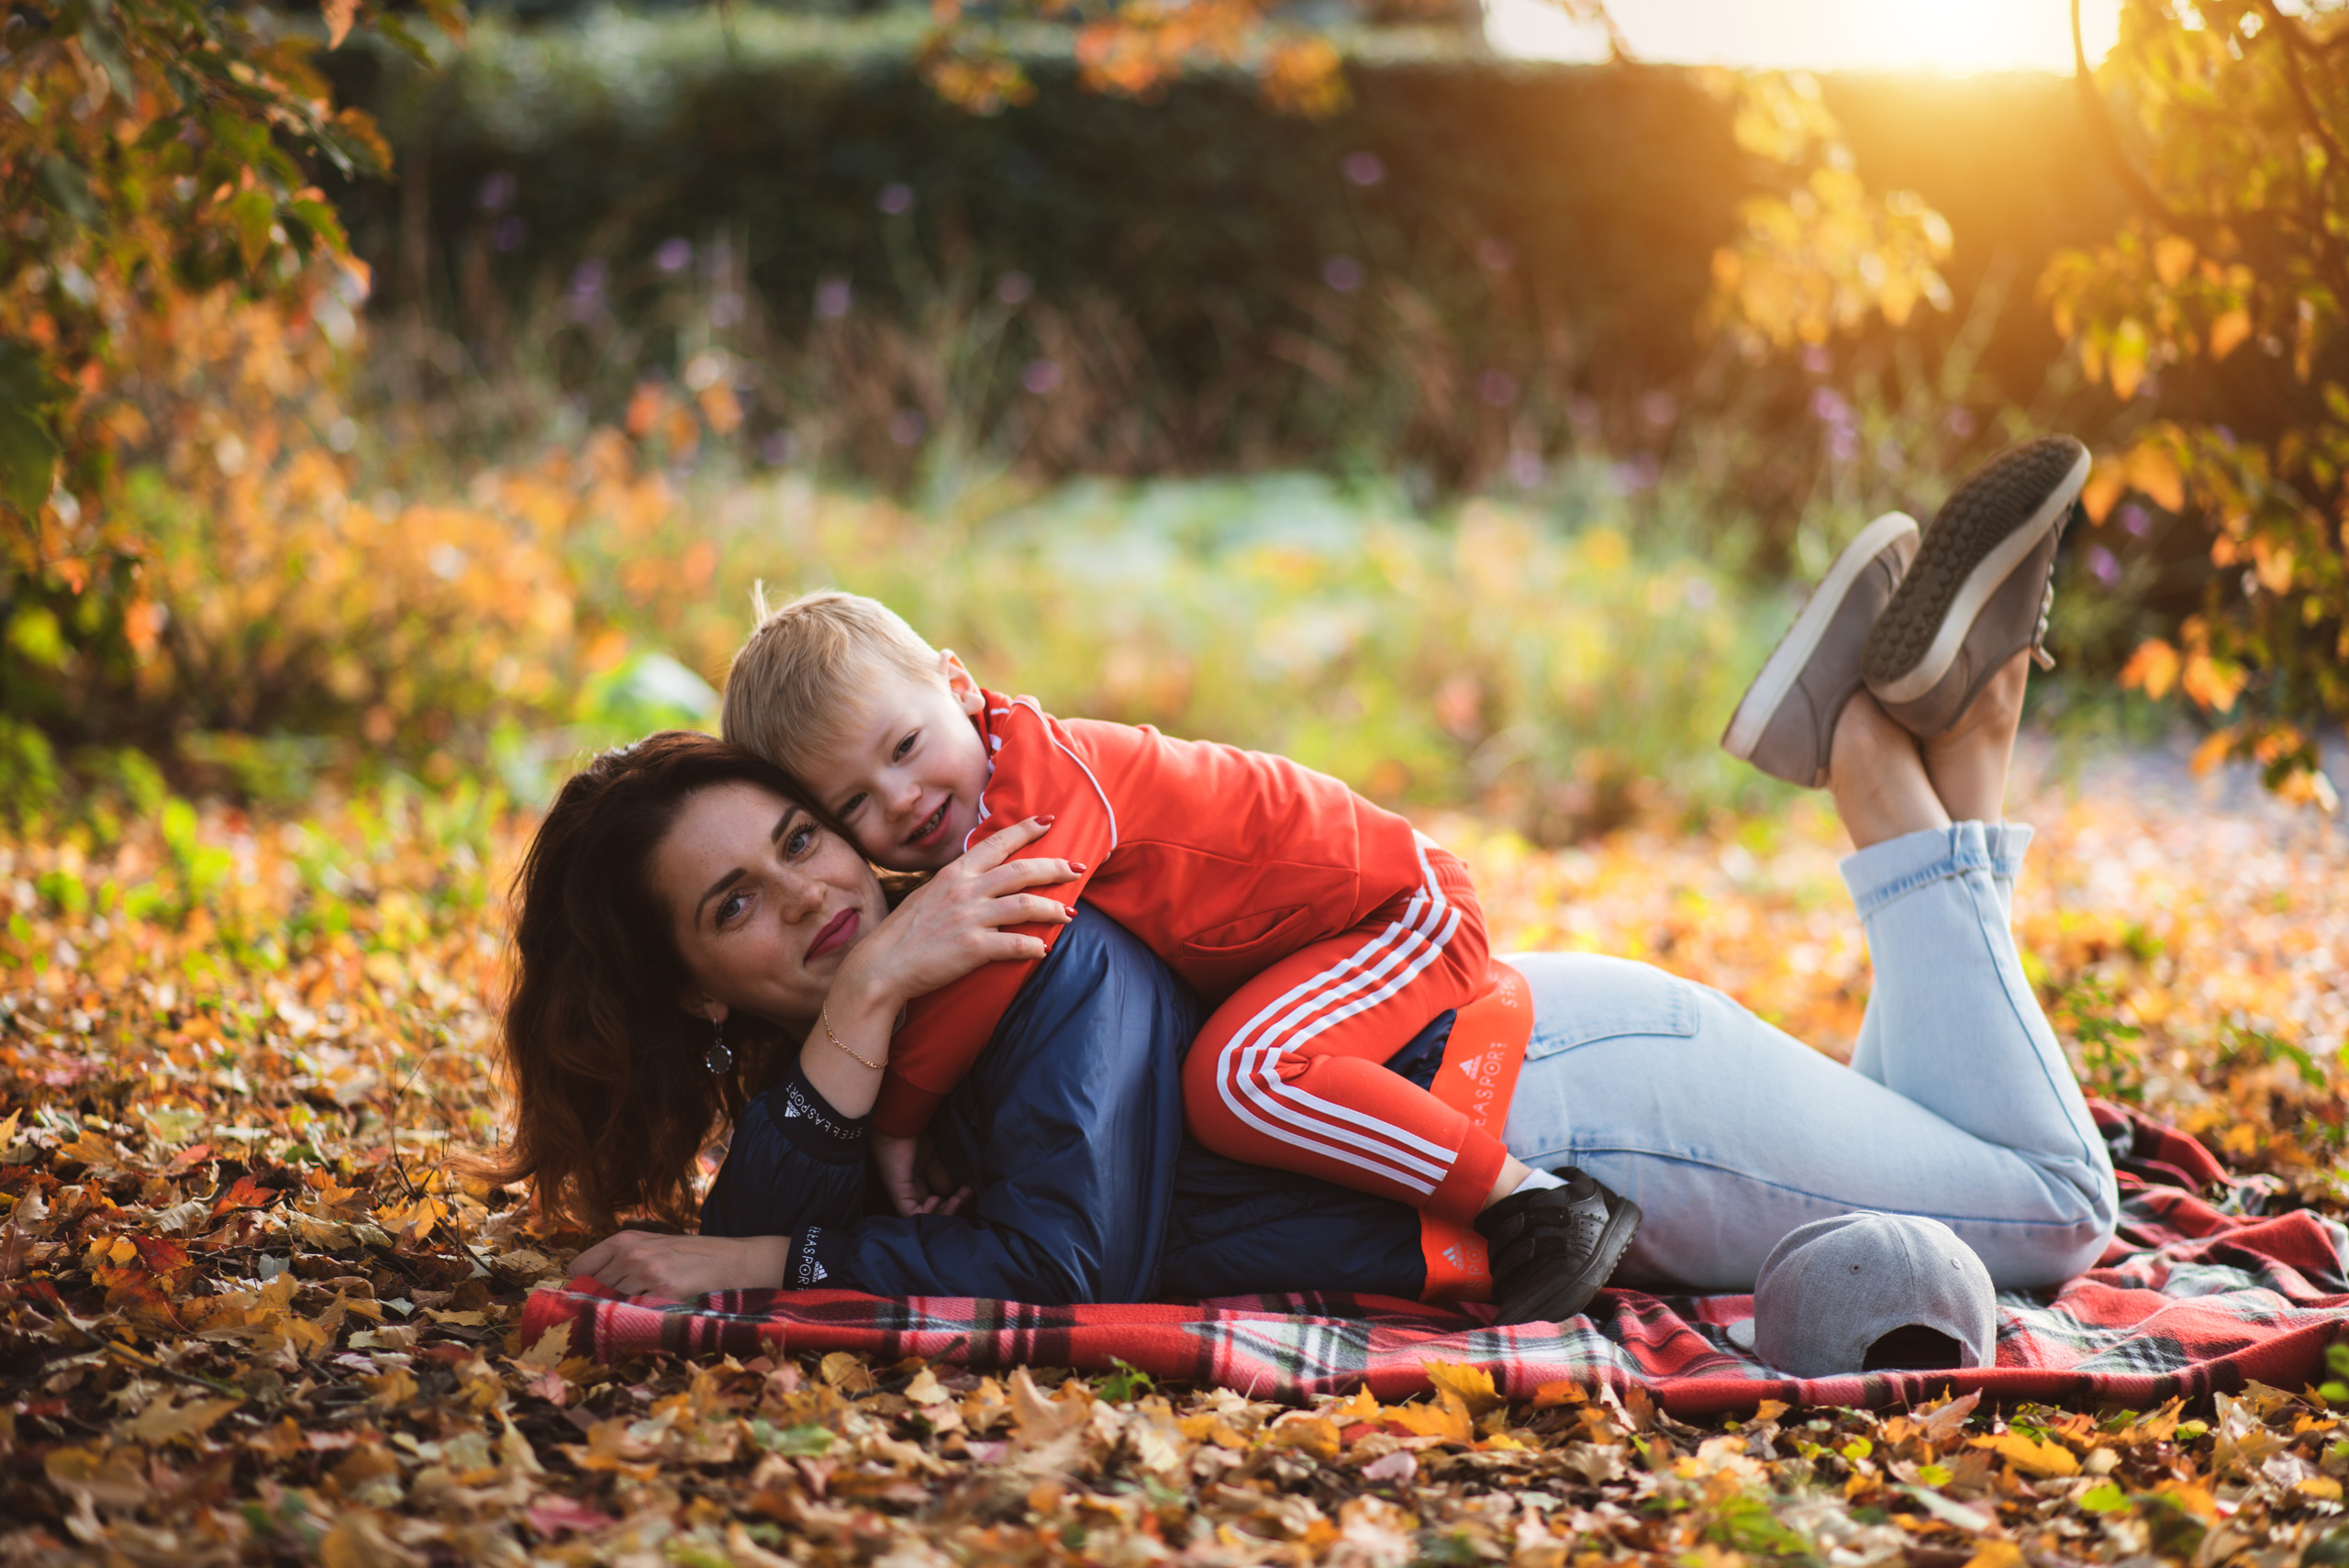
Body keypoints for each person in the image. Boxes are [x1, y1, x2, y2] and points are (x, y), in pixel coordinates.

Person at [515, 435, 2116, 1309]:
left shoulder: (1014, 918)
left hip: (1555, 1101)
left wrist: (825, 1106)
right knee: (1968, 1149)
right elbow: (776, 1204)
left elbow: (1069, 1257)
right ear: (688, 979)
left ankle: (1870, 768)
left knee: (2050, 1209)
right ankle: (1959, 731)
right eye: (739, 897)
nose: (810, 887)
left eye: (796, 842)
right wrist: (843, 1058)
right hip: (1527, 1058)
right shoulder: (898, 992)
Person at [715, 589, 1633, 1323]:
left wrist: (899, 1116)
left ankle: (1537, 1203)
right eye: (855, 804)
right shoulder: (975, 831)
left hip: (1396, 902)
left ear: (958, 684)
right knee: (1236, 1070)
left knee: (1244, 1073)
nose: (902, 798)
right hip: (1320, 937)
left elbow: (1003, 966)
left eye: (906, 747)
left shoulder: (1038, 785)